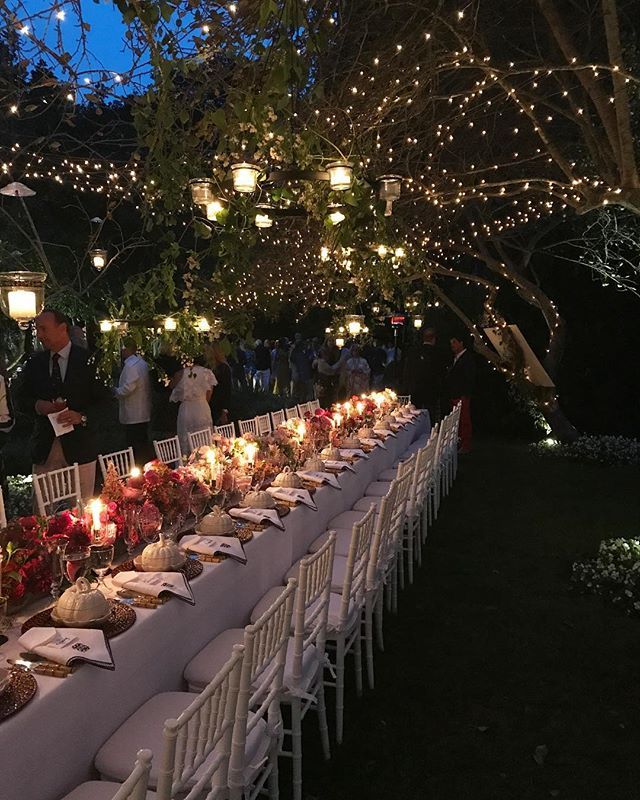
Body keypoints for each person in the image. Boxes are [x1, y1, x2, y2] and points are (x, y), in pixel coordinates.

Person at [20, 309, 105, 502]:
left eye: (43, 329)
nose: (39, 335)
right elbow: (21, 399)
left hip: (80, 446)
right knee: (43, 513)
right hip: (45, 447)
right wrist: (37, 405)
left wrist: (81, 416)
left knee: (83, 510)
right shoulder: (35, 363)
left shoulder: (89, 361)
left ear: (62, 328)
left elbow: (106, 403)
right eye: (37, 330)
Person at [114, 338, 151, 463]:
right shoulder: (142, 363)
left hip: (133, 412)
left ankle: (137, 466)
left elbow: (128, 388)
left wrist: (115, 391)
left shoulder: (131, 366)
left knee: (135, 443)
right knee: (142, 441)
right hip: (142, 409)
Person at [170, 358, 217, 454]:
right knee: (204, 438)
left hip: (186, 409)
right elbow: (209, 393)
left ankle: (186, 462)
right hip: (202, 407)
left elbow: (171, 387)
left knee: (185, 438)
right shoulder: (206, 372)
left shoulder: (179, 374)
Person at [402, 326, 447, 423]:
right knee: (431, 416)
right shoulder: (437, 354)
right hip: (431, 391)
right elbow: (441, 373)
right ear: (434, 339)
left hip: (415, 390)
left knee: (414, 416)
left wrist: (408, 387)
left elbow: (408, 371)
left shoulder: (414, 352)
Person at [443, 335, 476, 454]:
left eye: (454, 342)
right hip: (454, 393)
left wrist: (464, 394)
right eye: (451, 343)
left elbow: (469, 378)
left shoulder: (467, 359)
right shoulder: (456, 358)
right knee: (458, 420)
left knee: (464, 419)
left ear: (461, 343)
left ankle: (466, 444)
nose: (452, 345)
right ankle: (460, 442)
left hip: (461, 395)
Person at [210, 343, 232, 425]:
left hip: (219, 405)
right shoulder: (210, 368)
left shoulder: (223, 369)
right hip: (211, 404)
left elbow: (227, 390)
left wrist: (224, 411)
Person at [289, 334, 313, 402]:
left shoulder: (306, 351)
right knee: (299, 392)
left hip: (305, 373)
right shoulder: (296, 352)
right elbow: (292, 361)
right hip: (299, 373)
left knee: (305, 392)